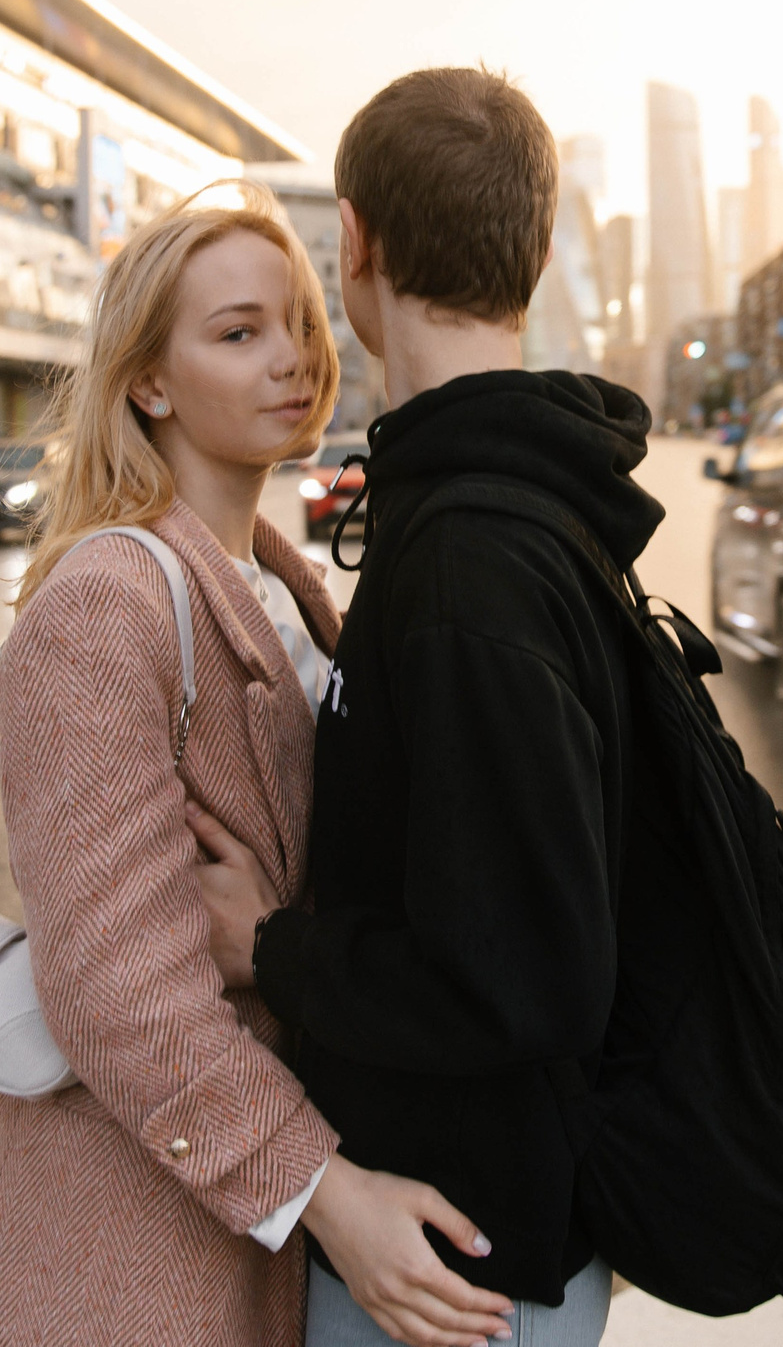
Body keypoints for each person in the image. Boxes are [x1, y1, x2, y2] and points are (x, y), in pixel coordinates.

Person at [0, 191, 515, 1347]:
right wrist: (330, 1194)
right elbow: (116, 994)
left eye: (304, 325)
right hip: (137, 1244)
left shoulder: (284, 586)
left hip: (241, 1215)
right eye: (238, 332)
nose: (294, 360)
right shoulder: (104, 605)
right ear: (149, 383)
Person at [193, 70, 664, 1347]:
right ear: (538, 248)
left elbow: (525, 973)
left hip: (450, 1268)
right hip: (471, 1244)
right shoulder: (519, 503)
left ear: (354, 240)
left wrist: (270, 946)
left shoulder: (467, 557)